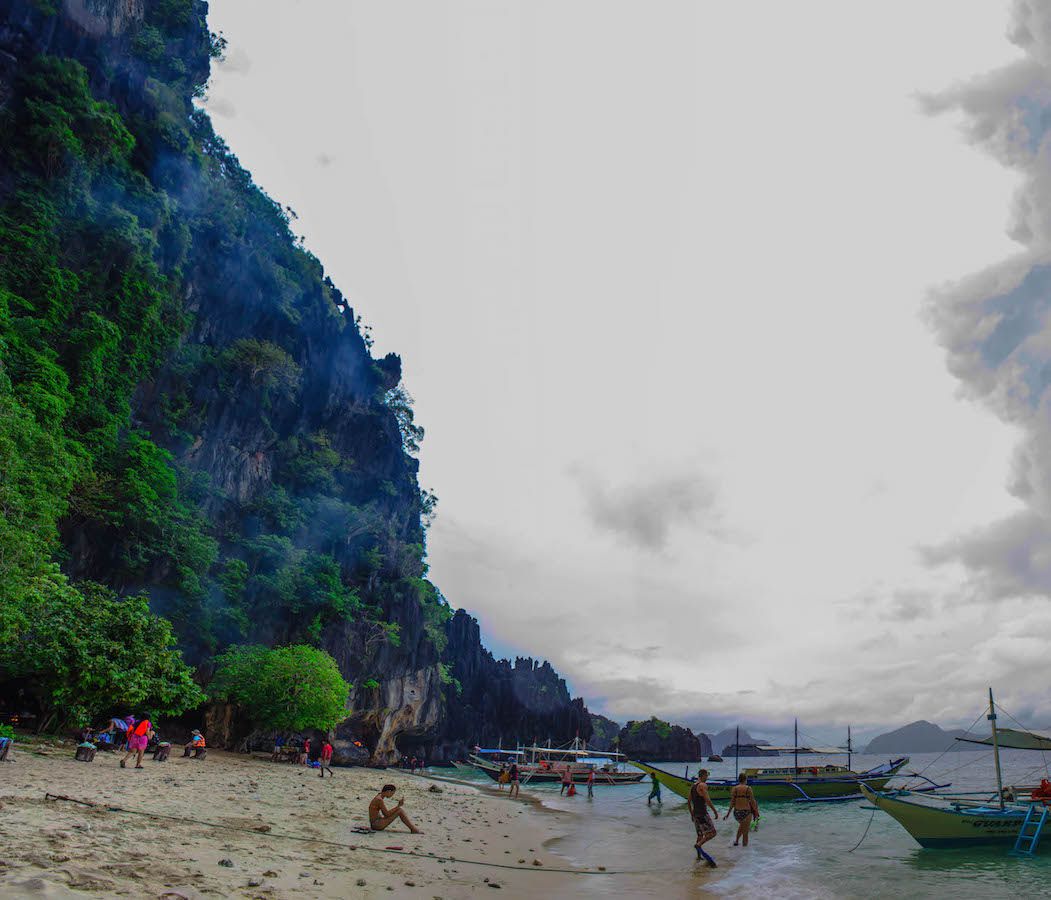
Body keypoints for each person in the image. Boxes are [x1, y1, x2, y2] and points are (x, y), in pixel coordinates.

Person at [687, 769, 719, 867]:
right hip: (702, 814)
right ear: (703, 775)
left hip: (696, 815)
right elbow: (707, 800)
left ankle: (699, 856)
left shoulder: (693, 786)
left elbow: (689, 802)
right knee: (713, 833)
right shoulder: (702, 785)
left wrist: (692, 814)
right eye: (707, 776)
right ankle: (698, 845)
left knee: (700, 835)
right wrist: (714, 811)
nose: (707, 778)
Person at [724, 773, 760, 846]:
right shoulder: (748, 788)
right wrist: (756, 813)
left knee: (742, 826)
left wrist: (727, 814)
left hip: (737, 813)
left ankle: (736, 841)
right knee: (745, 832)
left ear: (739, 780)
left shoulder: (735, 789)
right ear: (745, 780)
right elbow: (753, 802)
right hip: (746, 812)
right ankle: (744, 852)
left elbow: (732, 802)